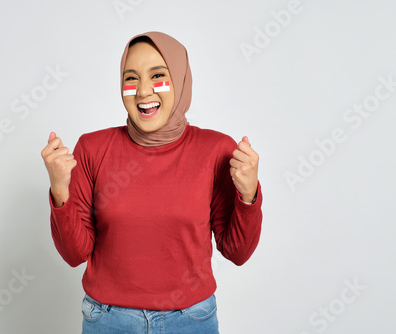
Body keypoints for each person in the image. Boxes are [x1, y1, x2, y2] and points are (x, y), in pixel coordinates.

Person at [41, 31, 263, 334]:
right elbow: (74, 254)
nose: (143, 91)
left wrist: (248, 195)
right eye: (131, 79)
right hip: (108, 320)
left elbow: (236, 252)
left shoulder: (216, 150)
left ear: (181, 77)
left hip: (191, 320)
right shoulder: (92, 149)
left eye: (158, 76)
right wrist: (59, 190)